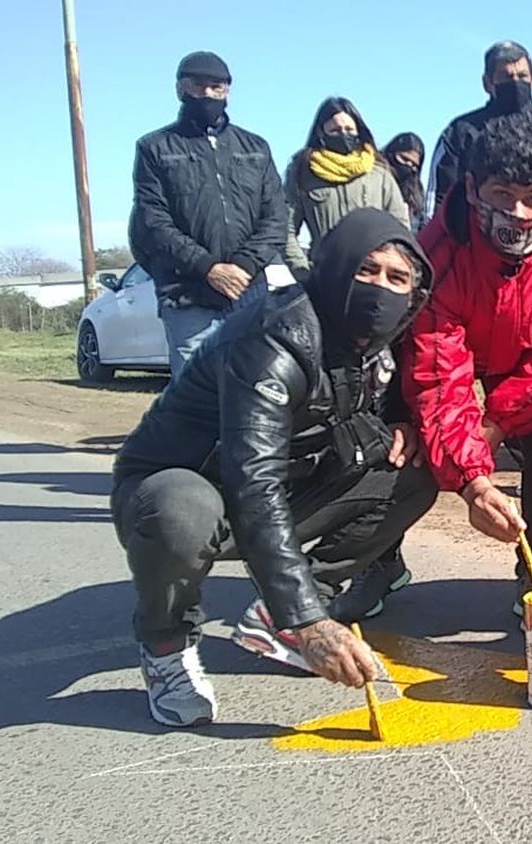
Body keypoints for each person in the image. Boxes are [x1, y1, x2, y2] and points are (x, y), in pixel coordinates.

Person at [111, 208, 440, 727]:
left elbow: (364, 415)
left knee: (414, 475)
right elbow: (252, 480)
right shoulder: (275, 336)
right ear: (333, 267)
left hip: (283, 484)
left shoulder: (375, 343)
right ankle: (166, 645)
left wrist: (400, 425)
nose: (381, 288)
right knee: (182, 514)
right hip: (191, 487)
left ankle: (277, 616)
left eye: (398, 279)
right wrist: (308, 622)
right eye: (366, 270)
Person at [404, 110, 532, 613]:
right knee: (417, 440)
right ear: (473, 188)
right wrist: (474, 480)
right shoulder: (437, 251)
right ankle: (383, 562)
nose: (518, 213)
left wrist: (497, 420)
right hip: (479, 344)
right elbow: (438, 378)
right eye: (502, 194)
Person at [129, 51, 287, 376]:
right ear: (180, 89)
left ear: (228, 91)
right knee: (194, 401)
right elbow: (154, 222)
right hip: (187, 294)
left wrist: (242, 266)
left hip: (249, 291)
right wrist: (208, 268)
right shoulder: (155, 148)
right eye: (198, 86)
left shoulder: (255, 147)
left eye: (217, 87)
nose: (208, 94)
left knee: (253, 392)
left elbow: (275, 217)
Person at [424, 41, 532, 218]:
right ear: (487, 83)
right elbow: (439, 202)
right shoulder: (459, 133)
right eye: (506, 77)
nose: (515, 82)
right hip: (475, 240)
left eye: (522, 76)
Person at [283, 97, 410, 281]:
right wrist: (303, 272)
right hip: (324, 278)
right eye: (335, 130)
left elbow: (400, 229)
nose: (343, 134)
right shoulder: (303, 171)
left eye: (349, 129)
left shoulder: (379, 174)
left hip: (370, 279)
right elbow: (285, 228)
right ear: (321, 132)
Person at [385, 132, 429, 231]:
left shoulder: (417, 193)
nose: (408, 166)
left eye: (414, 165)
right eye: (404, 159)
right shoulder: (378, 181)